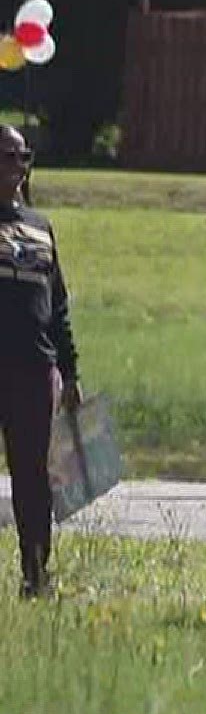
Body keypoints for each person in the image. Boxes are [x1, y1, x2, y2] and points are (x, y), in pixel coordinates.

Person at [0, 125, 81, 599]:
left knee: (33, 478)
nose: (15, 167)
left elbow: (59, 306)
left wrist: (70, 372)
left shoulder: (39, 226)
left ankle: (36, 574)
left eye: (22, 157)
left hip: (33, 370)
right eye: (7, 157)